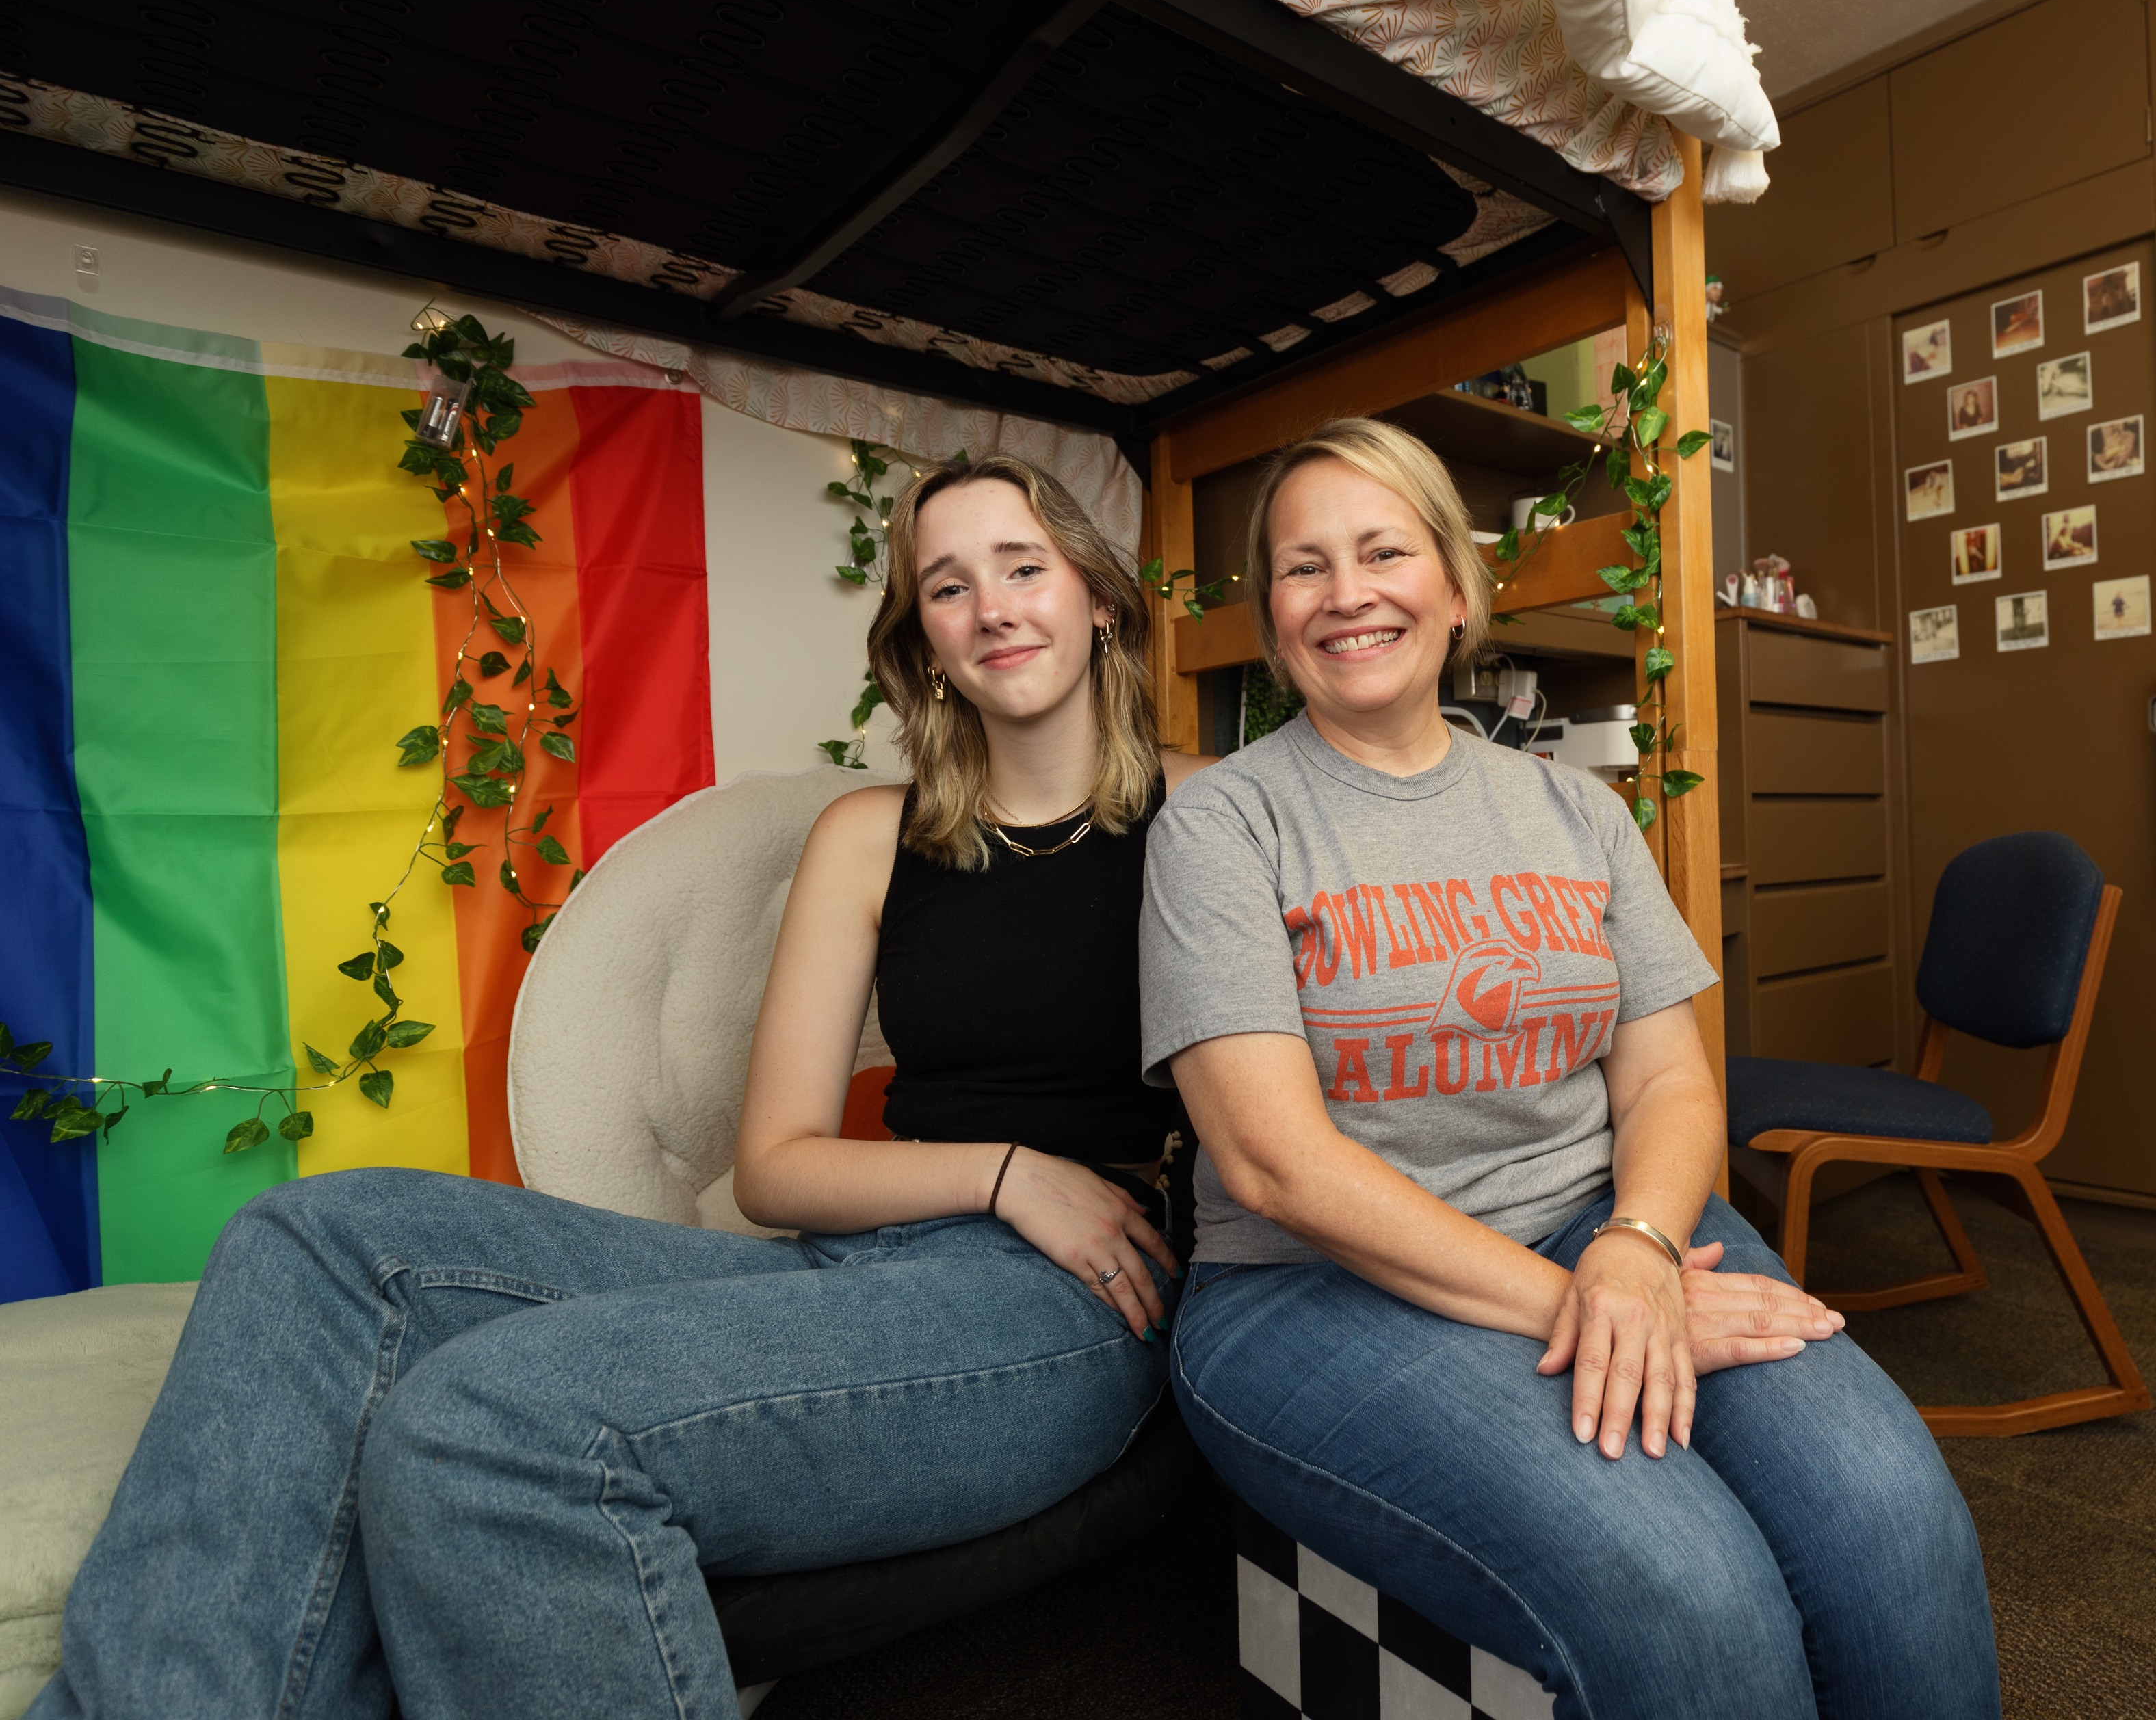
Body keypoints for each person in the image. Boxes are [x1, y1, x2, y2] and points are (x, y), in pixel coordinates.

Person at [34, 455, 1205, 1720]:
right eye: (948, 585)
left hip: (1063, 1299)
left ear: (1095, 594)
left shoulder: (1209, 812)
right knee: (311, 1240)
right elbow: (779, 1165)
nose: (993, 608)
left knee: (482, 1430)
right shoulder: (870, 837)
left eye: (1024, 567)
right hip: (861, 1262)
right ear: (921, 641)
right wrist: (1006, 1172)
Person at [1143, 419, 1999, 1720]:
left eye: (1384, 550)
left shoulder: (1577, 812)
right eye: (1304, 568)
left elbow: (1669, 1084)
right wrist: (1587, 1302)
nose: (1349, 593)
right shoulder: (1223, 822)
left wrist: (1641, 1249)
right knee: (1687, 1584)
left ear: (1457, 584)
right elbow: (1274, 1163)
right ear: (1271, 617)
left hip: (1613, 1235)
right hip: (1309, 1294)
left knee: (1895, 1515)